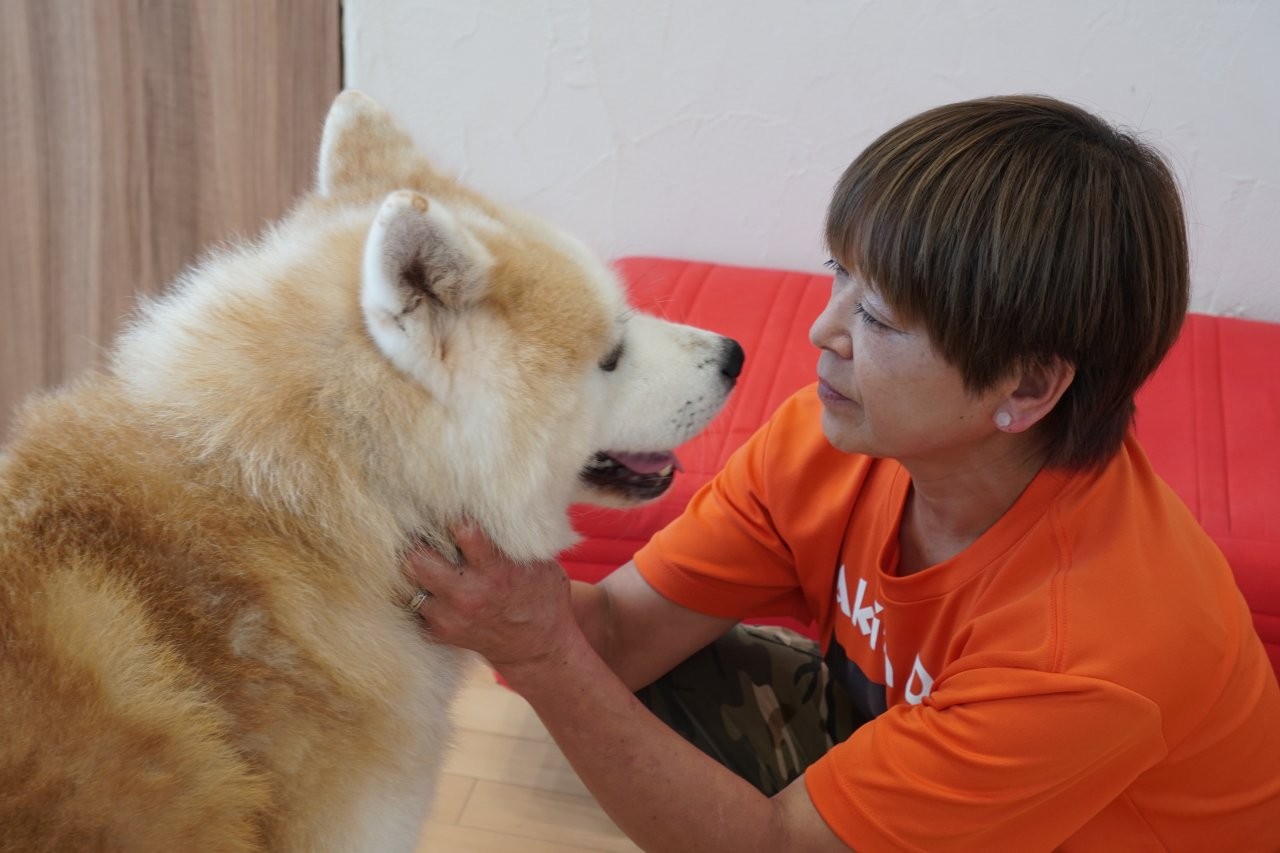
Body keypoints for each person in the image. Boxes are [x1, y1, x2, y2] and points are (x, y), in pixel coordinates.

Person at [405, 95, 1280, 851]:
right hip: (921, 740)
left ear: (1026, 385)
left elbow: (773, 846)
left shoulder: (1090, 654)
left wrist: (542, 652)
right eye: (838, 275)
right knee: (643, 673)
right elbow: (622, 639)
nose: (825, 332)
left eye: (880, 317)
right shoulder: (832, 442)